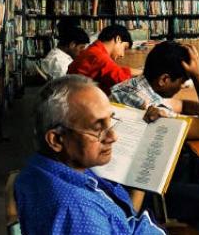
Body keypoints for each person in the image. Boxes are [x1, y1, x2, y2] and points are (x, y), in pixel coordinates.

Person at [110, 41, 199, 235]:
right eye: (182, 81)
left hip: (120, 175)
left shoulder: (134, 87)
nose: (183, 86)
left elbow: (183, 105)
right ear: (165, 79)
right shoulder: (151, 109)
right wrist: (197, 75)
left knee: (195, 164)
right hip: (133, 189)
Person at [15, 75, 165, 234]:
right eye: (97, 128)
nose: (113, 137)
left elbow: (120, 219)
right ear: (57, 140)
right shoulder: (79, 211)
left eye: (111, 119)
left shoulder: (48, 167)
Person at [68, 24, 133, 95]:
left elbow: (114, 70)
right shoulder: (99, 56)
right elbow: (125, 83)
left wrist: (140, 72)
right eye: (124, 48)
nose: (122, 55)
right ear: (118, 39)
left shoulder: (93, 50)